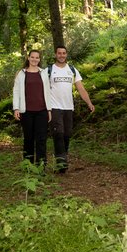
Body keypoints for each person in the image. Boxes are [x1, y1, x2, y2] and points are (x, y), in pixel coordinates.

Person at [45, 45, 95, 173]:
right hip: (54, 107)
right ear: (55, 55)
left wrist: (89, 102)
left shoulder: (72, 70)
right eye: (59, 53)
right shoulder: (49, 70)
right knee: (58, 133)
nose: (61, 55)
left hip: (68, 107)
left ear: (66, 55)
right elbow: (41, 88)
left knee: (67, 134)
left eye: (64, 53)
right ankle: (61, 164)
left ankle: (63, 157)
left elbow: (81, 88)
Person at [12, 49, 52, 166]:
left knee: (41, 140)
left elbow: (48, 92)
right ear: (28, 58)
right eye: (32, 57)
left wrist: (49, 110)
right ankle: (28, 165)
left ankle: (41, 166)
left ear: (39, 60)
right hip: (26, 111)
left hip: (42, 111)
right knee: (28, 139)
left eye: (37, 57)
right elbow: (16, 92)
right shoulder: (21, 73)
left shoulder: (43, 73)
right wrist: (16, 108)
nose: (34, 59)